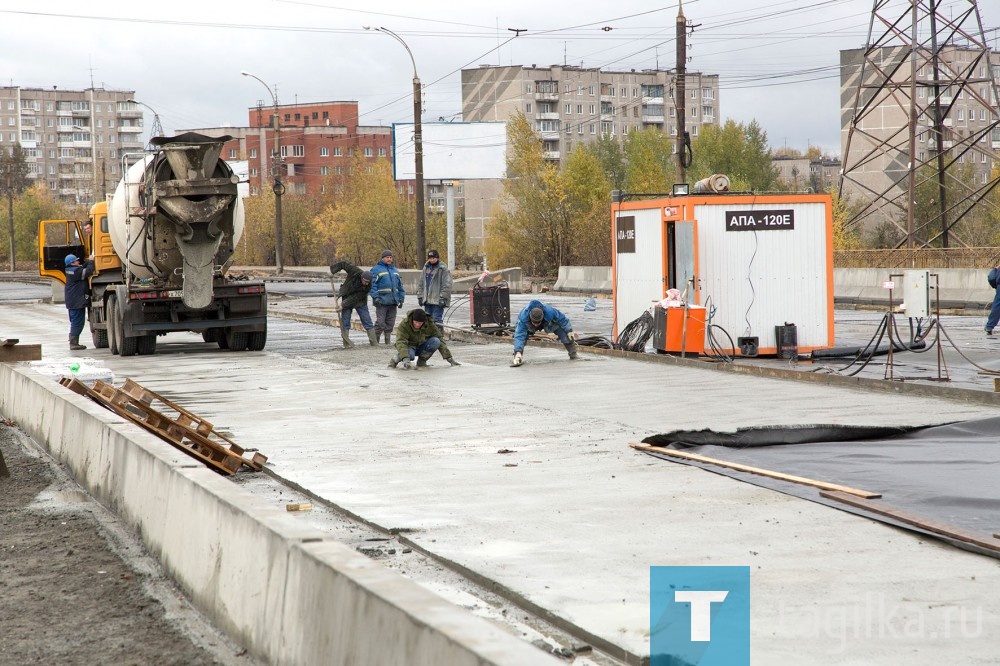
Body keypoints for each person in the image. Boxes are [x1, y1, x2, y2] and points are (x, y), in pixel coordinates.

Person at [511, 300, 578, 367]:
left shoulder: (550, 312)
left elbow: (562, 319)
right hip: (529, 326)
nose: (536, 325)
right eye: (534, 322)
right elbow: (519, 335)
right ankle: (518, 357)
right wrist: (518, 352)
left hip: (547, 323)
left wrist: (569, 331)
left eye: (538, 323)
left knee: (564, 333)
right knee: (521, 338)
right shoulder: (523, 318)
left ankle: (573, 354)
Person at [388, 309, 460, 369]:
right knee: (411, 356)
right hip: (409, 347)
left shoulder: (429, 323)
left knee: (436, 341)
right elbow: (401, 342)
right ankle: (394, 360)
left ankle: (422, 361)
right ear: (412, 319)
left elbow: (439, 338)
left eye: (420, 323)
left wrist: (450, 359)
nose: (417, 325)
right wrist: (406, 360)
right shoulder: (404, 324)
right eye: (416, 322)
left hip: (422, 345)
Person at [329, 259, 378, 347]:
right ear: (361, 278)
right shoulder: (354, 271)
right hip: (346, 295)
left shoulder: (368, 286)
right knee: (345, 321)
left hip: (360, 301)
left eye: (368, 282)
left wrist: (342, 305)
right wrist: (332, 271)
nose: (366, 283)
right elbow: (343, 263)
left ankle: (374, 343)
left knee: (367, 321)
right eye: (365, 281)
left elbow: (355, 298)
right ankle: (346, 343)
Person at [369, 249, 405, 344]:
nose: (389, 259)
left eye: (390, 257)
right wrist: (375, 297)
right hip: (381, 301)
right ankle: (374, 342)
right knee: (380, 323)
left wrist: (401, 299)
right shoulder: (376, 269)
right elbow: (372, 285)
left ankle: (387, 342)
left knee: (390, 323)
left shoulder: (395, 271)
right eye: (387, 257)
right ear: (383, 258)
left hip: (393, 301)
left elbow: (400, 286)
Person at [64, 253, 95, 350]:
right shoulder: (75, 271)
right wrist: (91, 261)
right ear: (72, 263)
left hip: (73, 301)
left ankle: (73, 341)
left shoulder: (71, 270)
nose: (78, 261)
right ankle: (73, 343)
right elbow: (88, 271)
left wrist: (87, 263)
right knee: (77, 322)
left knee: (76, 321)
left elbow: (82, 268)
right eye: (76, 260)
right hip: (76, 301)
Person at [417, 249, 452, 325]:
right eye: (430, 258)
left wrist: (443, 297)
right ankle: (429, 336)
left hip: (438, 301)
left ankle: (439, 336)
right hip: (427, 300)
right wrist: (420, 296)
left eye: (433, 258)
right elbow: (421, 283)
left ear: (437, 258)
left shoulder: (443, 269)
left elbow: (447, 285)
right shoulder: (426, 268)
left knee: (437, 320)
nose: (432, 260)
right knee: (427, 321)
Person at [987, 264, 1000, 336]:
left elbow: (991, 278)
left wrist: (996, 286)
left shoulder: (998, 268)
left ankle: (989, 327)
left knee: (997, 307)